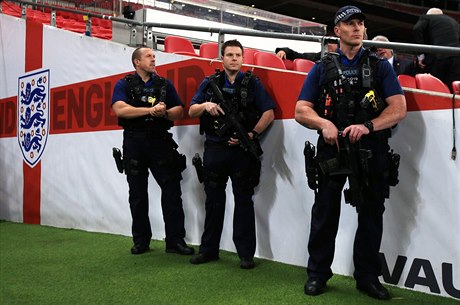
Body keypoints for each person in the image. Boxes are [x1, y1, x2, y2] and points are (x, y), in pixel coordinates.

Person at [295, 5, 406, 300]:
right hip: (333, 150)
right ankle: (317, 275)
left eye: (360, 23)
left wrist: (369, 125)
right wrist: (324, 123)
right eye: (350, 23)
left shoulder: (380, 66)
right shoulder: (321, 67)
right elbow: (300, 110)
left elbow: (398, 108)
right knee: (324, 215)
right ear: (337, 31)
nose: (357, 28)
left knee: (371, 216)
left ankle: (367, 277)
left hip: (370, 151)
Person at [188, 39, 276, 269]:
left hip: (241, 151)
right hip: (215, 149)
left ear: (243, 59)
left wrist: (252, 134)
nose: (234, 58)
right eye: (229, 55)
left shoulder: (253, 83)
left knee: (243, 202)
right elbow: (191, 109)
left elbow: (269, 112)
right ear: (222, 58)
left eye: (238, 55)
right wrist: (206, 105)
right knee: (213, 202)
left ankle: (245, 254)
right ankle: (209, 250)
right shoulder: (210, 83)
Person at [111, 46, 194, 256]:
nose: (153, 59)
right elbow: (119, 109)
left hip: (160, 142)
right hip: (134, 142)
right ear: (136, 62)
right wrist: (149, 110)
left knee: (172, 191)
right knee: (137, 194)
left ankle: (175, 241)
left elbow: (179, 111)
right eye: (148, 56)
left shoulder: (164, 84)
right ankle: (141, 241)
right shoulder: (124, 84)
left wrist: (164, 112)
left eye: (154, 56)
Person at [413, 8, 460, 92]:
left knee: (435, 87)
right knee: (453, 88)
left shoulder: (426, 17)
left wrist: (421, 54)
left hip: (438, 57)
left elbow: (417, 29)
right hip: (456, 58)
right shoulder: (454, 22)